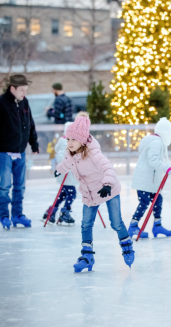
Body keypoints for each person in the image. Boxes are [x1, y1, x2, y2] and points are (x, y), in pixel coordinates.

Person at [55, 112, 134, 272]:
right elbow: (65, 164)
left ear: (82, 140)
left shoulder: (93, 152)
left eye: (73, 139)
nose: (69, 142)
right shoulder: (69, 153)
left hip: (108, 189)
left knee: (116, 223)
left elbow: (108, 167)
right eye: (68, 139)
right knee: (85, 225)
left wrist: (107, 183)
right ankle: (87, 257)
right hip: (89, 193)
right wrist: (59, 170)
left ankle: (127, 246)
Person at [0, 74, 39, 230]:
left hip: (20, 152)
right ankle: (4, 215)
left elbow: (30, 124)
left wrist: (34, 144)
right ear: (12, 88)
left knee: (20, 186)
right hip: (3, 153)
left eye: (26, 90)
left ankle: (17, 215)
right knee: (5, 185)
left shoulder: (24, 102)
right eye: (22, 90)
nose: (25, 93)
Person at [128, 117, 171, 239]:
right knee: (144, 202)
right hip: (145, 181)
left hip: (151, 181)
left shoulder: (158, 142)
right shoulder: (156, 143)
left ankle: (157, 226)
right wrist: (167, 169)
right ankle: (133, 227)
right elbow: (154, 161)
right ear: (166, 133)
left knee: (158, 200)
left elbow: (162, 161)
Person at [42, 121, 78, 225]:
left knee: (62, 195)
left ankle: (51, 212)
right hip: (66, 174)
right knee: (72, 194)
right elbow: (60, 156)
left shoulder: (70, 141)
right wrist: (67, 164)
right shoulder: (65, 142)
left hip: (68, 175)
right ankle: (64, 213)